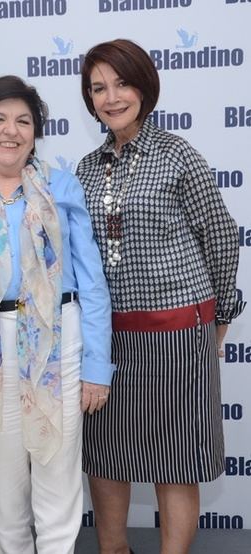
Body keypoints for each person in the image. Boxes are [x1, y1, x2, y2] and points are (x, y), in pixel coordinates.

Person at [76, 39, 245, 554]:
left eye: (122, 83)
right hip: (108, 343)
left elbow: (221, 236)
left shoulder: (178, 155)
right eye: (98, 87)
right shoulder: (84, 168)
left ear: (145, 86)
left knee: (176, 462)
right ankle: (114, 549)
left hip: (178, 336)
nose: (111, 97)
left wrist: (220, 317)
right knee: (106, 459)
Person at [0, 75, 114, 554]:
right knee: (6, 488)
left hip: (59, 337)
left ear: (35, 133)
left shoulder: (60, 184)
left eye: (23, 121)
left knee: (57, 476)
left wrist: (98, 365)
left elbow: (92, 280)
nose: (10, 130)